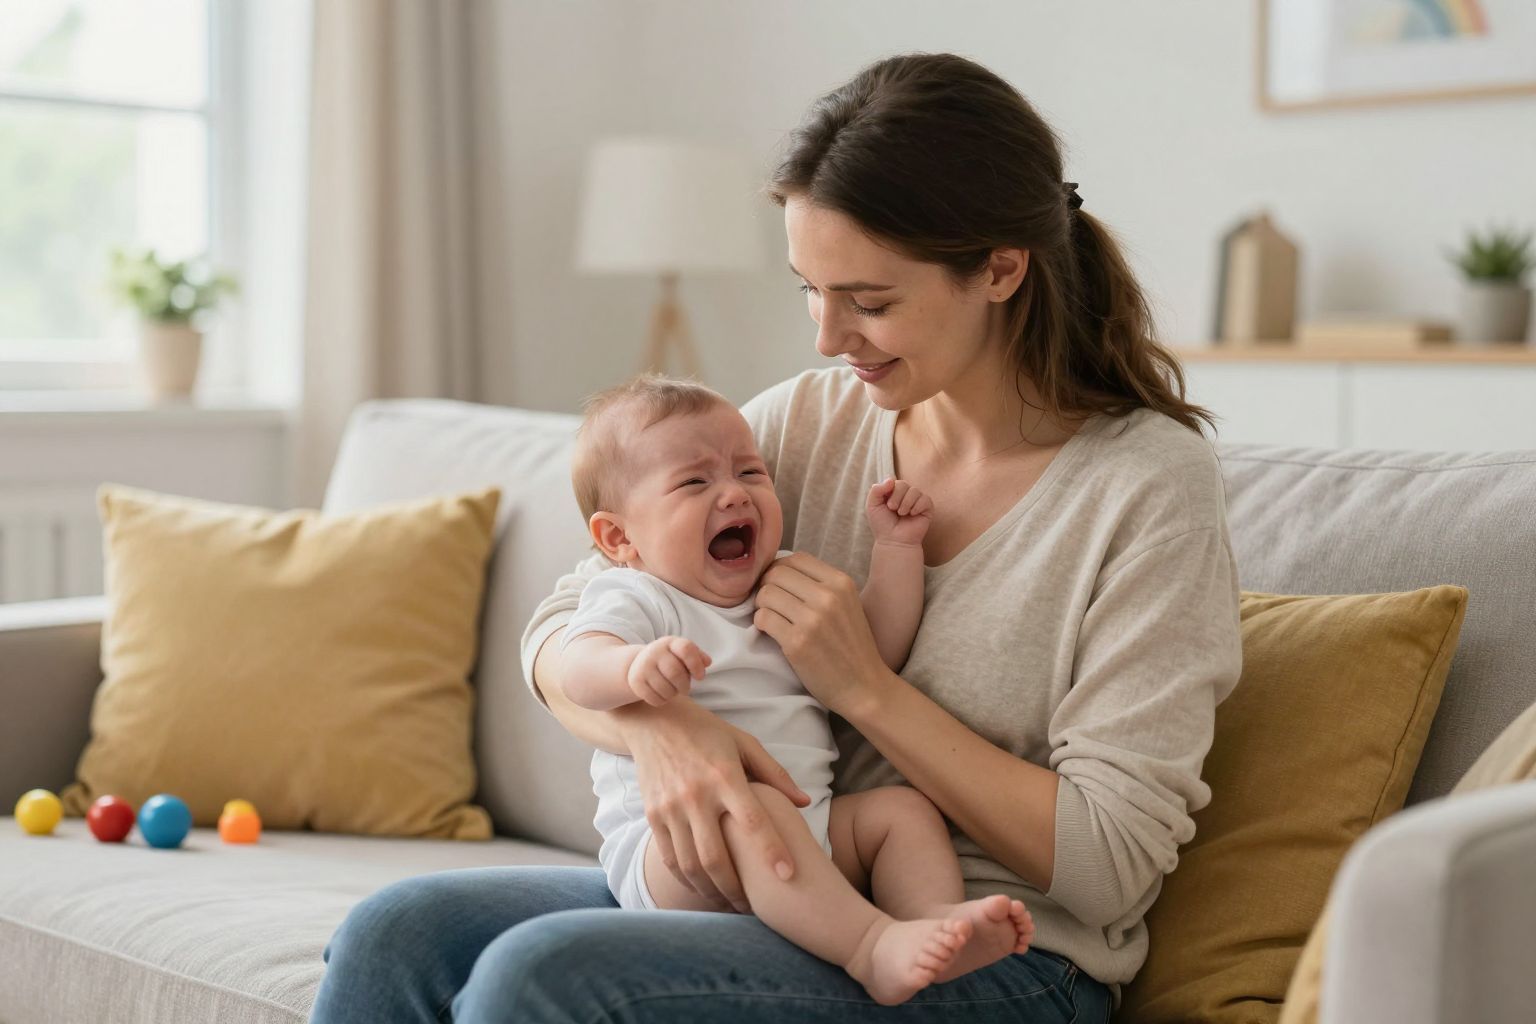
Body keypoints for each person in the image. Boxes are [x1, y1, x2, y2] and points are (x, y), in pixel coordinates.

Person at [310, 51, 1242, 1024]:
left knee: (541, 976)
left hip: (1007, 958)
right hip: (785, 889)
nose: (828, 338)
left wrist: (865, 690)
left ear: (1001, 268)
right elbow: (563, 619)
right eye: (810, 287)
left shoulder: (1145, 490)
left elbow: (1112, 861)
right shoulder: (809, 422)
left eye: (870, 301)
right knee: (399, 932)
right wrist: (666, 730)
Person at [557, 374, 1033, 1005]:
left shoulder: (781, 580)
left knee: (900, 814)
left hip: (815, 831)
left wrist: (896, 548)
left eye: (751, 473)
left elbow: (871, 656)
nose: (734, 494)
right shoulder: (639, 596)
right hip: (678, 856)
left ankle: (932, 926)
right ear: (619, 539)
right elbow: (574, 666)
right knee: (755, 806)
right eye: (695, 482)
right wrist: (631, 668)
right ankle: (871, 948)